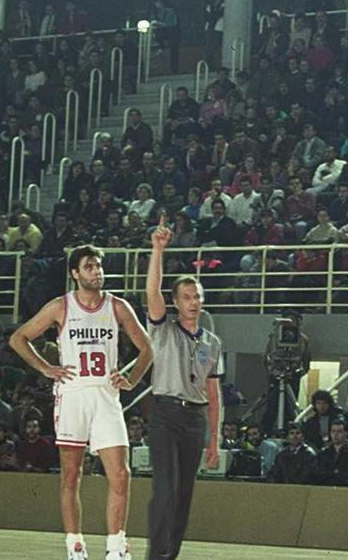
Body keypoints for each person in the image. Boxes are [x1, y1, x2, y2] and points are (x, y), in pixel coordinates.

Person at [9, 244, 153, 560]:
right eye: (89, 266)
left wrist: (132, 379)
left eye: (99, 266)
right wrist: (46, 368)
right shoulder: (61, 307)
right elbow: (18, 338)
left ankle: (116, 546)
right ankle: (75, 544)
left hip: (106, 398)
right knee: (71, 476)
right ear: (75, 273)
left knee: (121, 474)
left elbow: (147, 348)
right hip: (72, 397)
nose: (97, 271)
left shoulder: (118, 306)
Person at [143, 213, 224, 560]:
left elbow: (213, 392)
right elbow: (151, 292)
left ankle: (170, 554)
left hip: (194, 419)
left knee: (185, 492)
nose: (194, 301)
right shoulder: (163, 328)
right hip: (164, 412)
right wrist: (157, 251)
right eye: (187, 296)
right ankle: (156, 554)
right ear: (176, 301)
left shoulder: (213, 342)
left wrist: (215, 437)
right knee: (166, 487)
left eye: (198, 295)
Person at [314, 420, 348, 486]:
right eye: (333, 431)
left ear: (346, 434)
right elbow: (319, 473)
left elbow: (346, 475)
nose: (335, 434)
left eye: (339, 431)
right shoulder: (323, 453)